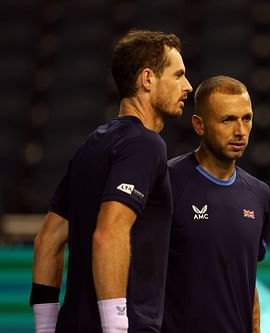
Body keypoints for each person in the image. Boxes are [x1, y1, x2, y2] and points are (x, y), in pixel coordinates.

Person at [30, 29, 192, 332]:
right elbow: (109, 233)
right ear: (147, 79)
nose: (188, 86)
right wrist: (116, 326)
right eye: (178, 75)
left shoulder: (92, 144)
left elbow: (47, 241)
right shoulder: (145, 145)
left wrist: (44, 327)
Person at [161, 75, 270, 333]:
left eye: (247, 118)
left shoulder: (259, 194)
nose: (240, 131)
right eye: (228, 120)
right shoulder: (166, 183)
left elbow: (248, 283)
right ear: (199, 125)